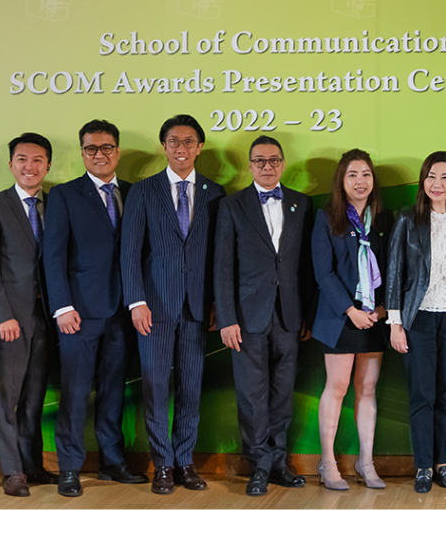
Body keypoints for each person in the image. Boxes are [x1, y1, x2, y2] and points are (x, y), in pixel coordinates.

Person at [121, 115, 226, 495]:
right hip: (154, 307)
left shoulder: (217, 193)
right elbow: (130, 252)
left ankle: (184, 462)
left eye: (189, 141)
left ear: (200, 147)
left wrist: (217, 303)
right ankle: (161, 465)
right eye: (173, 141)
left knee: (191, 388)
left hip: (198, 308)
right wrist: (136, 301)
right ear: (163, 146)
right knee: (154, 386)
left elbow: (220, 256)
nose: (181, 148)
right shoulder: (144, 191)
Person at [43, 119, 145, 497]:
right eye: (91, 149)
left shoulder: (134, 193)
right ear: (82, 152)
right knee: (74, 391)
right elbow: (52, 257)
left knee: (114, 390)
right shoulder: (65, 196)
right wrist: (62, 307)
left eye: (106, 148)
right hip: (79, 313)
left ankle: (112, 461)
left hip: (123, 310)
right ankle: (69, 466)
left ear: (117, 151)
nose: (99, 155)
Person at [214, 135, 314, 496]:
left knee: (282, 394)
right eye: (259, 161)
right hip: (246, 317)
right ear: (250, 165)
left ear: (283, 164)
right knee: (252, 395)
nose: (267, 166)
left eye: (273, 161)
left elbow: (306, 266)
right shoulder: (232, 205)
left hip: (289, 316)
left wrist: (307, 314)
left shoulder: (302, 204)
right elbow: (222, 266)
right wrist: (226, 318)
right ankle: (258, 465)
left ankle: (278, 463)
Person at [386, 151, 446, 494]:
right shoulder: (406, 219)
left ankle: (443, 464)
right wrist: (395, 323)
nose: (437, 184)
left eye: (444, 177)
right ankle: (423, 467)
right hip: (418, 319)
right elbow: (395, 272)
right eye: (431, 176)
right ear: (422, 181)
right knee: (421, 395)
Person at [0, 132, 58, 497]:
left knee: (35, 395)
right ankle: (11, 471)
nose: (30, 166)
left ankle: (32, 464)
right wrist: (1, 316)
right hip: (10, 319)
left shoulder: (56, 203)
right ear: (11, 165)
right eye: (22, 159)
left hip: (47, 317)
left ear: (48, 165)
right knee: (7, 397)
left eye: (38, 159)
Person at [311, 149, 393, 490]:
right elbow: (323, 272)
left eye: (366, 175)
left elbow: (394, 267)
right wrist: (350, 311)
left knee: (368, 387)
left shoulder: (385, 220)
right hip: (340, 315)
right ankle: (327, 462)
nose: (360, 181)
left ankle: (365, 461)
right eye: (352, 175)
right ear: (341, 182)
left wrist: (383, 308)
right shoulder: (327, 217)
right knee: (339, 386)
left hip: (375, 316)